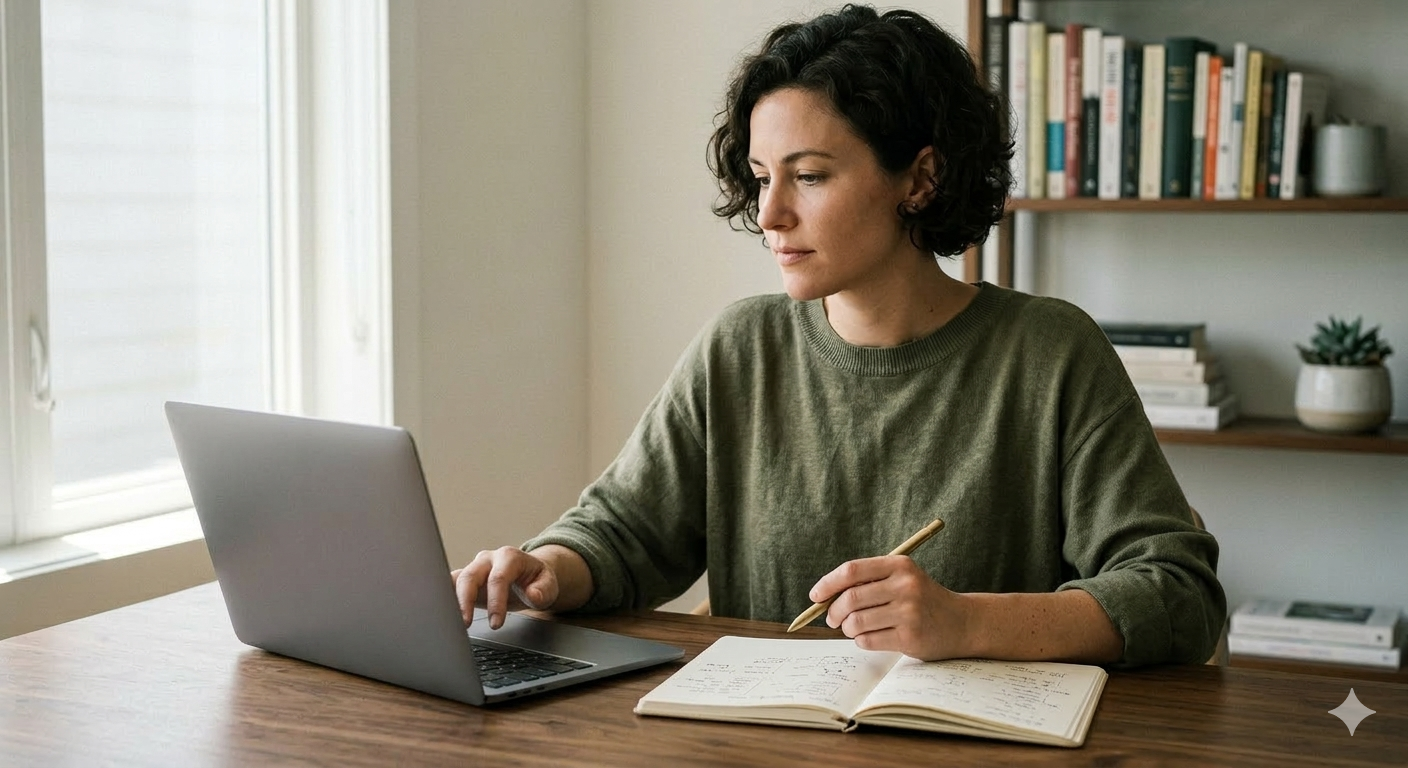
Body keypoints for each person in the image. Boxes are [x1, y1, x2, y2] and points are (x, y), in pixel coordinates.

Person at [453, 4, 1225, 667]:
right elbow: (624, 531)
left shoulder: (1049, 353)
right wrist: (547, 567)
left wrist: (964, 622)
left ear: (920, 179)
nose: (770, 213)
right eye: (761, 176)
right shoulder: (741, 346)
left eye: (810, 175)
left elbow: (1179, 593)